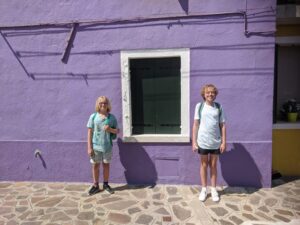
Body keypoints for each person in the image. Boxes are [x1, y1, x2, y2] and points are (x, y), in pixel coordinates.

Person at [192, 84, 226, 202]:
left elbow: (222, 126)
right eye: (208, 92)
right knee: (204, 165)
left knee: (213, 165)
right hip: (203, 142)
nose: (210, 94)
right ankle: (203, 189)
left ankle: (213, 189)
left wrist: (223, 142)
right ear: (204, 94)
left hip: (216, 142)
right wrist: (194, 142)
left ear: (215, 94)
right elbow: (195, 124)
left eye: (212, 92)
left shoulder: (219, 107)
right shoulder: (199, 106)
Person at [87, 96, 119, 195]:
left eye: (105, 103)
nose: (103, 104)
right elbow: (89, 132)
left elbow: (117, 131)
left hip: (107, 146)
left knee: (106, 165)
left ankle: (105, 184)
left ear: (107, 104)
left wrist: (110, 130)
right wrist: (89, 147)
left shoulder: (112, 118)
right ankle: (95, 185)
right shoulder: (93, 116)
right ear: (98, 104)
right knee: (95, 165)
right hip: (96, 146)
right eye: (101, 103)